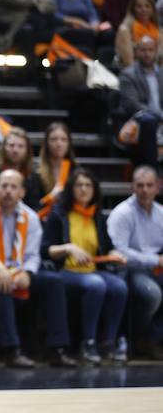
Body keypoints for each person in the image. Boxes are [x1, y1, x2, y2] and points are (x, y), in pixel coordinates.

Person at [0, 169, 76, 368]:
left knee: (55, 282)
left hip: (18, 269)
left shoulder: (30, 217)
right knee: (3, 283)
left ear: (22, 192)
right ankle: (10, 350)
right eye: (3, 185)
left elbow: (33, 255)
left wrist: (28, 273)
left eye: (13, 187)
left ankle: (57, 349)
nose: (7, 191)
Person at [41, 168, 129, 365]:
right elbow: (45, 250)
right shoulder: (58, 214)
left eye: (88, 185)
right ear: (71, 189)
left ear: (94, 190)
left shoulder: (96, 215)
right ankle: (88, 342)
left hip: (92, 270)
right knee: (96, 284)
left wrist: (114, 254)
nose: (83, 189)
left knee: (119, 286)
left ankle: (108, 341)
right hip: (64, 271)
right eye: (79, 185)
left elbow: (106, 247)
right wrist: (68, 248)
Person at [107, 165, 163, 359]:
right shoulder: (122, 213)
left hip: (156, 269)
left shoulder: (161, 213)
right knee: (151, 294)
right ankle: (140, 339)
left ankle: (152, 338)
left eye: (149, 185)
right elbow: (119, 252)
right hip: (129, 270)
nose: (145, 190)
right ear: (132, 187)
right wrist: (155, 259)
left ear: (158, 186)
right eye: (140, 185)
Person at [0, 126, 44, 209]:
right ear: (3, 147)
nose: (15, 150)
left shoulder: (32, 175)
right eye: (11, 145)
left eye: (21, 146)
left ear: (27, 150)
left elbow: (35, 206)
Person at [118, 35, 163, 166]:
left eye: (150, 50)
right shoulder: (128, 74)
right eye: (143, 50)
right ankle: (152, 171)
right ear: (137, 52)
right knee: (149, 120)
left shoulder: (161, 74)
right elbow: (132, 104)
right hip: (140, 121)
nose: (147, 54)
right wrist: (159, 116)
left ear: (156, 51)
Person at [36, 122, 77, 220]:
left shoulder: (76, 171)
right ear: (46, 143)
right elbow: (33, 205)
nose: (59, 144)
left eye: (63, 140)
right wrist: (51, 197)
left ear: (69, 143)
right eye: (54, 139)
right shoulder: (36, 173)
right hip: (44, 219)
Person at [115, 0, 161, 66]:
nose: (143, 9)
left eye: (147, 6)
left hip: (154, 72)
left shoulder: (158, 30)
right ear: (133, 10)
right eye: (139, 6)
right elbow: (128, 62)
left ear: (152, 10)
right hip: (132, 72)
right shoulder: (124, 30)